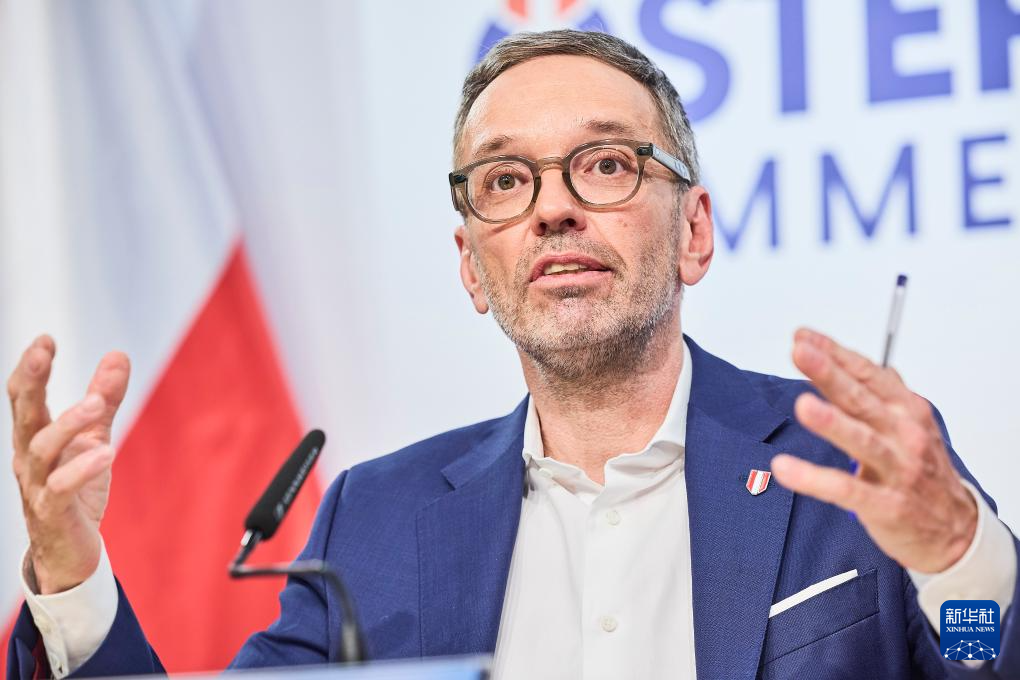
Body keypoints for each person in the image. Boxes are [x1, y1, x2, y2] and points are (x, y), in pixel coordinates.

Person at [6, 30, 1018, 680]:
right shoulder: (376, 520)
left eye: (606, 164)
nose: (554, 208)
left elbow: (982, 655)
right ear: (472, 267)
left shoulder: (855, 466)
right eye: (503, 181)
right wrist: (70, 571)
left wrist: (955, 555)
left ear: (694, 230)